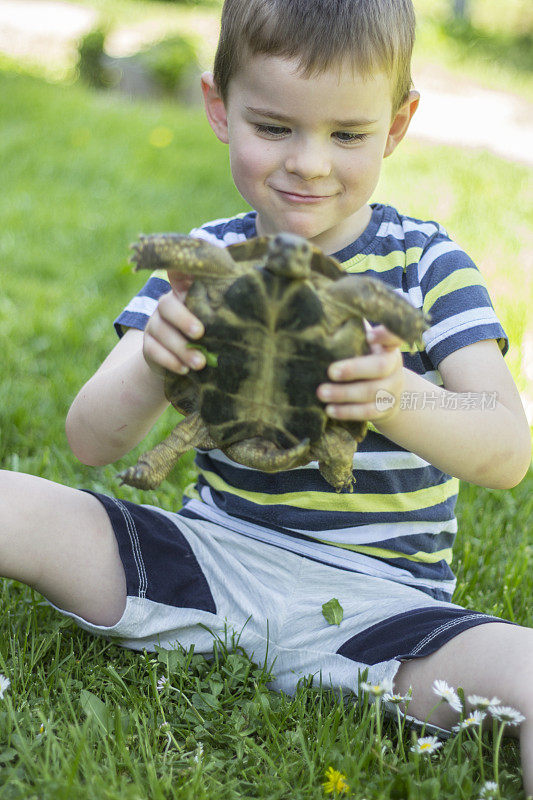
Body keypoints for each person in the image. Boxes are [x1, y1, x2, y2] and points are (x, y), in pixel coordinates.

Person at [1, 0, 532, 788]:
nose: (308, 164)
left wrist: (393, 396)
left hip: (386, 614)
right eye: (274, 127)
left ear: (395, 124)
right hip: (205, 568)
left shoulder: (427, 263)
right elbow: (92, 443)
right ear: (219, 107)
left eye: (346, 134)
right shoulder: (203, 262)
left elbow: (506, 452)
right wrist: (152, 358)